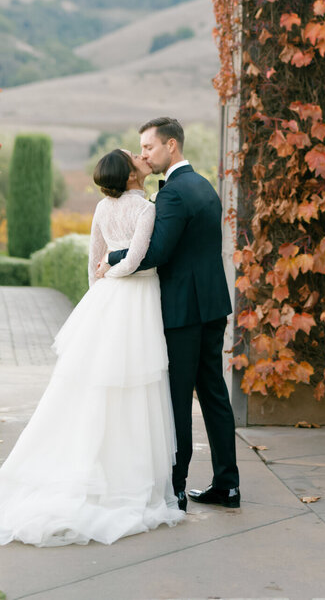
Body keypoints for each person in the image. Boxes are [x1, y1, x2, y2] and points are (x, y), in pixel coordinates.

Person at [0, 148, 184, 550]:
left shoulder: (100, 208)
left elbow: (92, 262)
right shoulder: (146, 210)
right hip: (135, 301)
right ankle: (126, 480)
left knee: (97, 385)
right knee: (135, 385)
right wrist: (115, 272)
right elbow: (134, 261)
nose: (141, 159)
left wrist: (99, 297)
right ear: (132, 176)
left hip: (108, 301)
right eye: (136, 159)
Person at [99, 116, 240, 510]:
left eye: (149, 147)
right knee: (214, 394)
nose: (144, 154)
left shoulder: (173, 194)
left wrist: (110, 257)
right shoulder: (204, 186)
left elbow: (156, 253)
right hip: (213, 306)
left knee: (177, 398)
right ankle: (227, 484)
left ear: (171, 146)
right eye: (141, 149)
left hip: (183, 312)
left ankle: (175, 488)